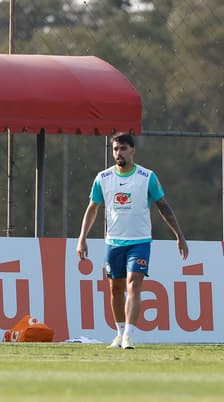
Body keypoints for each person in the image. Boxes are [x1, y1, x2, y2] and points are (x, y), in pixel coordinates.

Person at [76, 132, 188, 350]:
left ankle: (129, 335)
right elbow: (92, 209)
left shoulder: (147, 177)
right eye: (116, 149)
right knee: (115, 289)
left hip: (140, 241)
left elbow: (163, 207)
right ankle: (119, 333)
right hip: (113, 242)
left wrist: (179, 236)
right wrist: (82, 239)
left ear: (133, 150)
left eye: (123, 148)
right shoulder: (103, 178)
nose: (119, 153)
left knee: (134, 284)